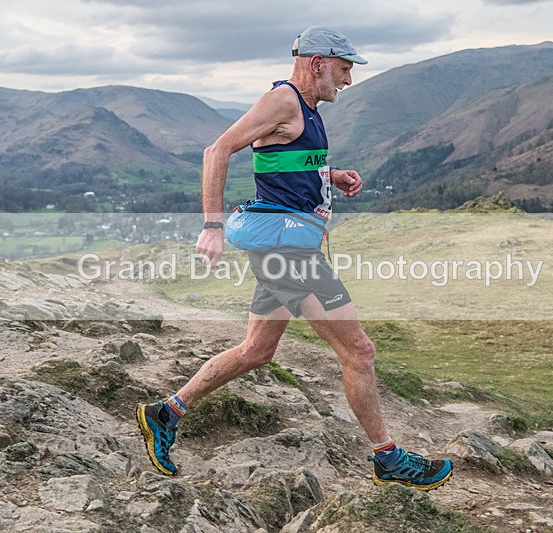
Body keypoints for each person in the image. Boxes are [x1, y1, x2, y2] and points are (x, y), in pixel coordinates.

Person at [137, 26, 453, 492]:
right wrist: (211, 225)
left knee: (256, 352)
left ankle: (165, 413)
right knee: (359, 351)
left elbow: (284, 160)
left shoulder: (305, 109)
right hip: (284, 249)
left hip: (282, 245)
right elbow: (217, 149)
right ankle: (387, 459)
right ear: (317, 62)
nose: (347, 81)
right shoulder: (283, 100)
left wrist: (332, 174)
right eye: (344, 70)